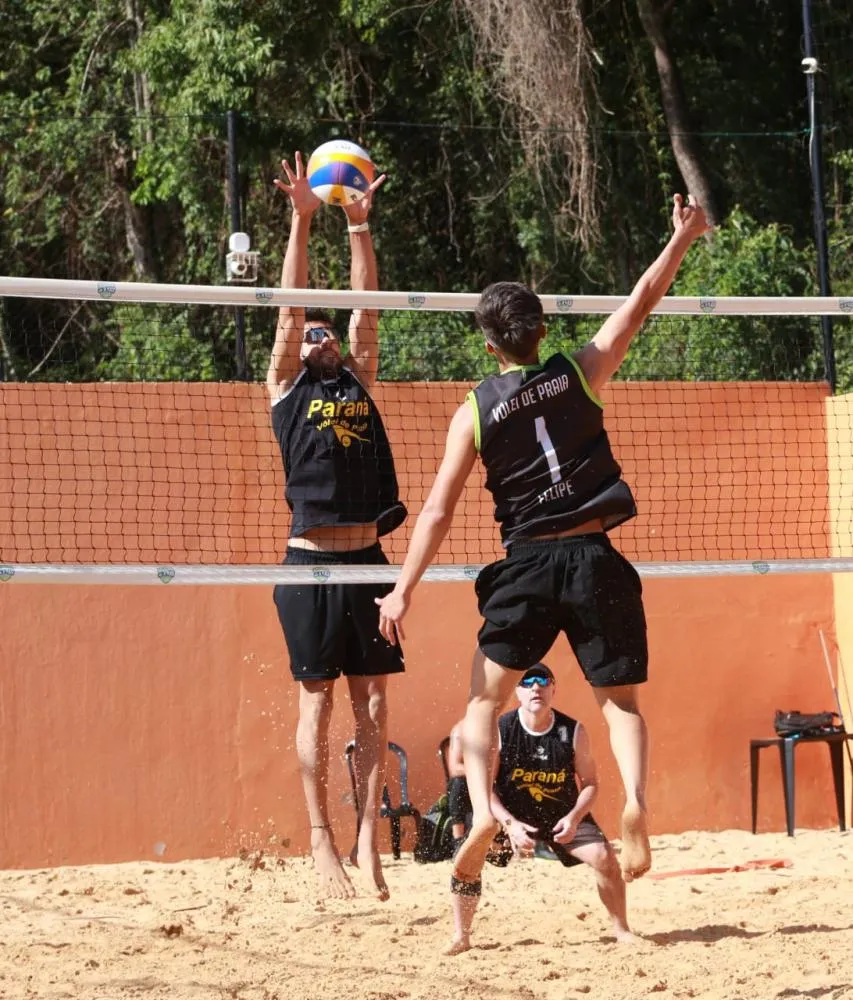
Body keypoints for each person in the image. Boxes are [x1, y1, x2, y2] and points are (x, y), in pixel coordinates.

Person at [376, 194, 711, 898]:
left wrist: (403, 586)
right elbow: (643, 299)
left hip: (525, 562)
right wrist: (682, 234)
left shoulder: (474, 409)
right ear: (541, 330)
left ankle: (478, 812)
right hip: (594, 556)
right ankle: (637, 802)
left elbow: (437, 509)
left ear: (490, 346)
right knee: (619, 704)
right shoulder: (579, 370)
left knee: (480, 700)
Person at [268, 151, 406, 902]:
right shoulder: (286, 388)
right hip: (311, 567)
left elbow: (367, 308)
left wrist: (358, 226)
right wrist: (301, 218)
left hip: (370, 565)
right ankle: (320, 839)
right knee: (316, 706)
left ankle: (367, 839)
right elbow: (291, 308)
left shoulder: (356, 376)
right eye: (310, 333)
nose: (319, 337)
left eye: (327, 334)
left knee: (375, 706)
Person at [447, 663, 635, 954]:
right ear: (517, 692)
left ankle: (621, 929)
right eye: (527, 682)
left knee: (605, 857)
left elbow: (590, 783)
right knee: (469, 857)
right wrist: (509, 824)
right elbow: (485, 788)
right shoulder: (500, 730)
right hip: (510, 818)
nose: (536, 687)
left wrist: (574, 818)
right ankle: (461, 935)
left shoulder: (572, 731)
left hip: (560, 816)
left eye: (544, 681)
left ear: (553, 690)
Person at [446, 720, 471, 847]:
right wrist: (481, 772)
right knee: (458, 783)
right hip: (470, 785)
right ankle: (458, 842)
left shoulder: (502, 725)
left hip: (494, 785)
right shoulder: (461, 729)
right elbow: (455, 768)